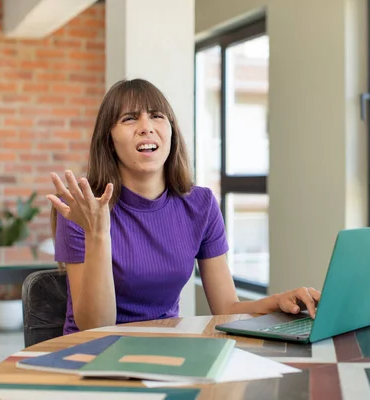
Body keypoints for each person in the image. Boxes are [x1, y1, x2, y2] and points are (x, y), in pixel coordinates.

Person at [47, 78, 321, 334]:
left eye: (156, 116)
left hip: (166, 355)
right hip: (94, 355)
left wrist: (278, 302)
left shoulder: (200, 205)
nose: (146, 126)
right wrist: (98, 234)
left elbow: (227, 309)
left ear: (171, 132)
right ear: (109, 141)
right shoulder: (82, 209)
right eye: (129, 118)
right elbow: (95, 327)